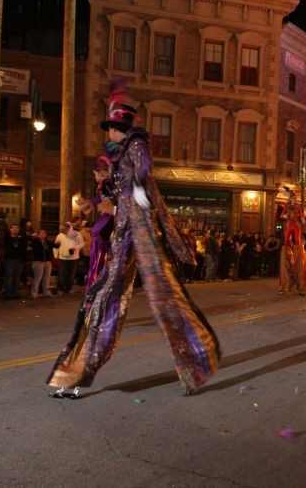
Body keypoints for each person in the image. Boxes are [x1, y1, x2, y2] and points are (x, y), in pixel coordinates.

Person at [47, 78, 221, 398]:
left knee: (144, 295)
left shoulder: (137, 146)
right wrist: (94, 201)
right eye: (108, 127)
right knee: (102, 297)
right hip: (124, 232)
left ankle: (195, 363)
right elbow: (116, 190)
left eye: (113, 127)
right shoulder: (120, 155)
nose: (109, 133)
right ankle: (73, 373)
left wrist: (137, 199)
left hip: (137, 229)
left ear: (123, 128)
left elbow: (142, 176)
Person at [80, 148, 117, 288]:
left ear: (100, 172)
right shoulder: (103, 185)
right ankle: (96, 280)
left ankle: (96, 281)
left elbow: (109, 202)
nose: (93, 174)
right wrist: (88, 204)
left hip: (106, 225)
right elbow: (95, 201)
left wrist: (106, 205)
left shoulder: (107, 184)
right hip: (104, 226)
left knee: (98, 240)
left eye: (94, 172)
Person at [53, 222, 84, 295]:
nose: (63, 232)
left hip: (73, 258)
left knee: (71, 275)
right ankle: (61, 288)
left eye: (64, 231)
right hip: (63, 258)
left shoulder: (77, 234)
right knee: (62, 274)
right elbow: (56, 246)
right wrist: (55, 255)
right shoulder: (60, 236)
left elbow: (82, 243)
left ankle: (69, 288)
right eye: (62, 231)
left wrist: (76, 248)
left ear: (68, 229)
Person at [30, 229, 55, 298]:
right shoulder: (35, 241)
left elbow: (55, 246)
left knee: (47, 277)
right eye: (41, 233)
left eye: (44, 233)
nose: (42, 234)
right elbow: (31, 246)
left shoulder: (48, 242)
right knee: (38, 277)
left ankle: (46, 291)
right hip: (38, 261)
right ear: (38, 234)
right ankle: (34, 292)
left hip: (47, 261)